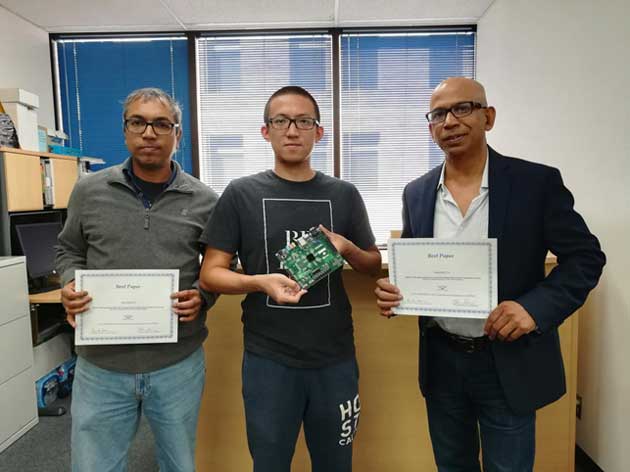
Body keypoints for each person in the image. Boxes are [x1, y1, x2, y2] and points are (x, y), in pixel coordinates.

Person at [375, 77, 605, 471]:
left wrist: (533, 309)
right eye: (438, 114)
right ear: (430, 127)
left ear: (488, 117)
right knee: (452, 464)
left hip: (507, 361)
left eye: (463, 108)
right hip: (442, 361)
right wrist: (397, 292)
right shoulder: (416, 192)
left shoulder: (536, 183)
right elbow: (416, 263)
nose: (449, 122)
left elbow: (586, 258)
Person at [199, 86, 381, 472]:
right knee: (270, 464)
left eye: (304, 121)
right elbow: (211, 273)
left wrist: (347, 248)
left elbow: (371, 263)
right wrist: (259, 282)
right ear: (266, 131)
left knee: (335, 463)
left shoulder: (344, 195)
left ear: (319, 131)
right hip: (269, 359)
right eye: (281, 121)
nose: (292, 130)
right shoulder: (241, 194)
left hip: (334, 357)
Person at [56, 87, 218, 472]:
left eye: (162, 124)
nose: (149, 133)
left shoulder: (205, 200)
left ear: (177, 135)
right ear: (126, 130)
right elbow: (68, 251)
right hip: (101, 365)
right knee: (95, 466)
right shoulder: (89, 190)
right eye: (138, 122)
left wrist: (202, 297)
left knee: (178, 465)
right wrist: (68, 283)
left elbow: (215, 270)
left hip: (177, 362)